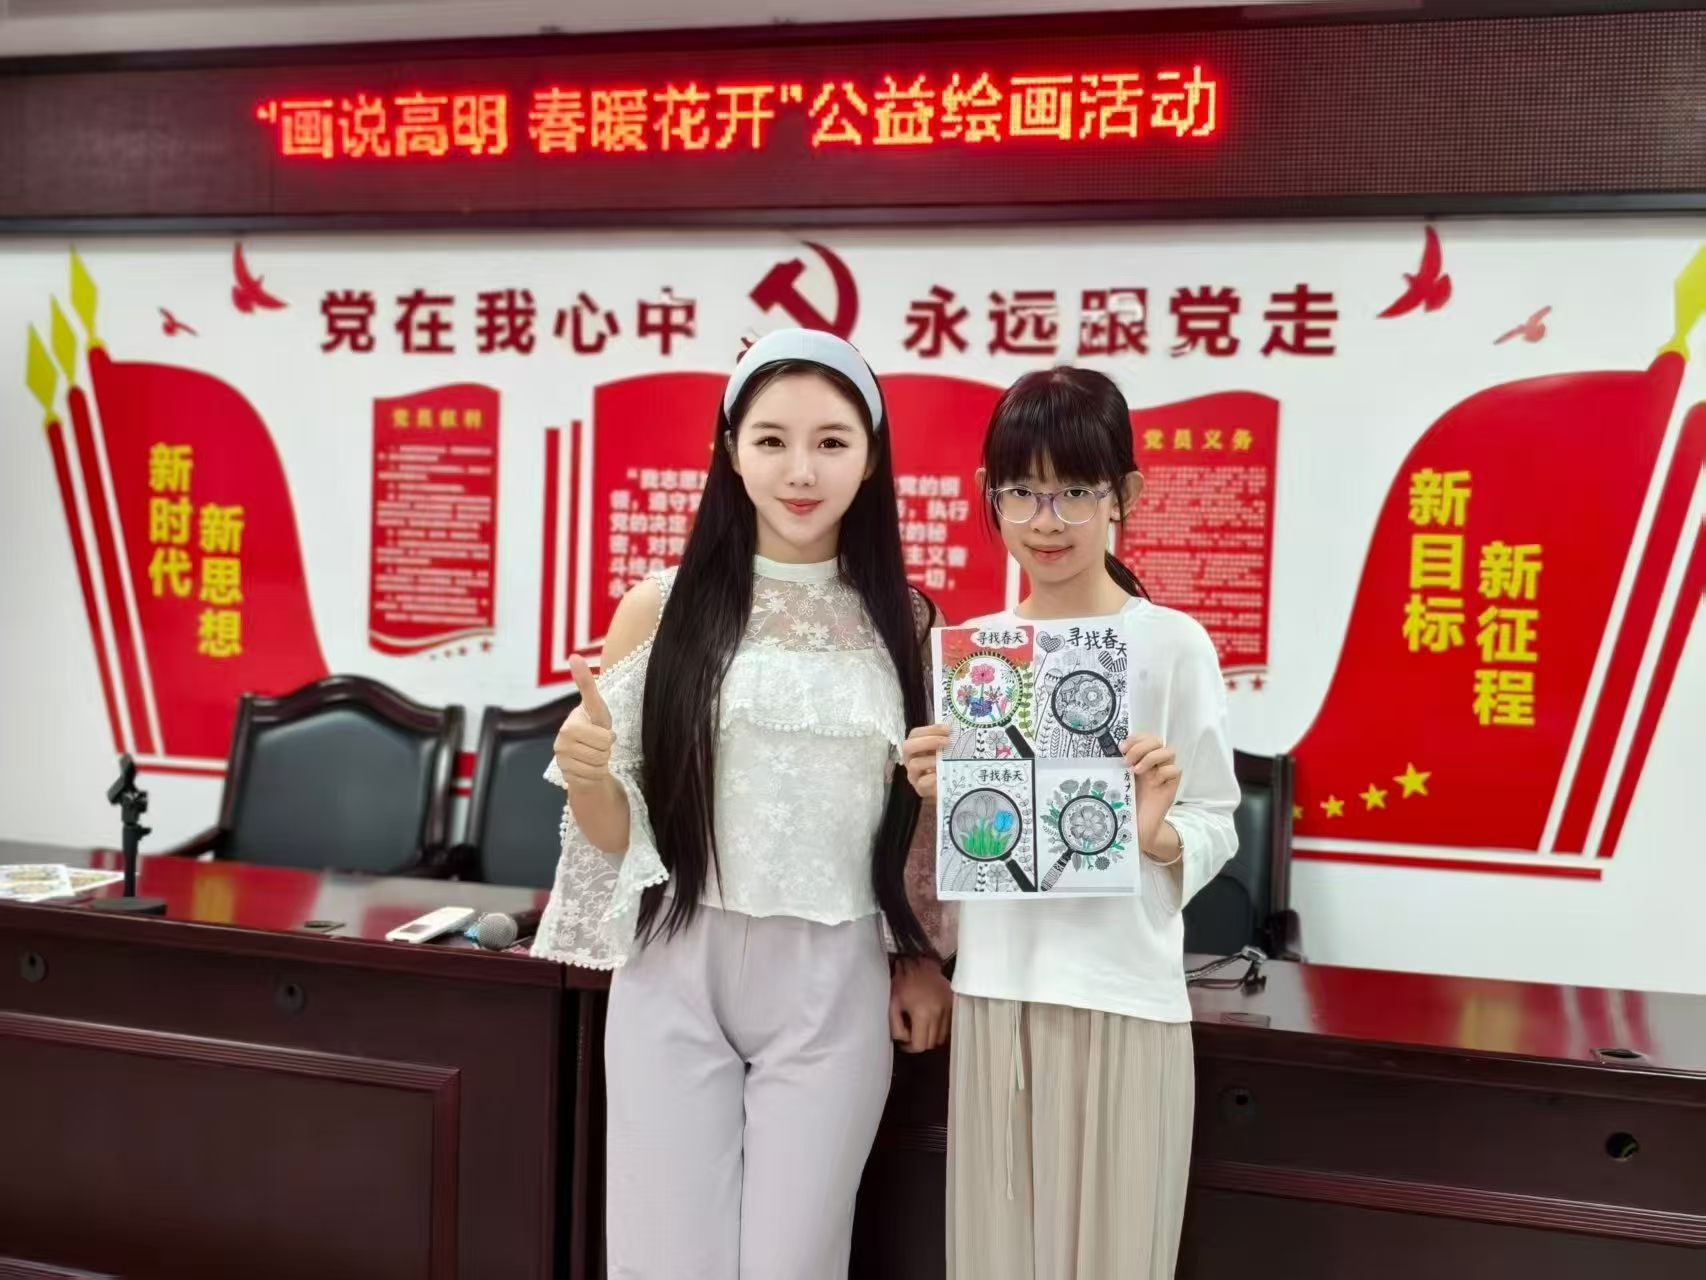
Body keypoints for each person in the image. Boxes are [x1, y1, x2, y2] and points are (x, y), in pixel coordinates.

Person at [533, 328, 954, 1280]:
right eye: (771, 440)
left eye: (831, 441)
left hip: (836, 978)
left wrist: (922, 958)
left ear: (871, 457)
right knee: (664, 1259)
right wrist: (591, 777)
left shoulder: (911, 621)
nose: (801, 471)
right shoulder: (660, 608)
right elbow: (622, 840)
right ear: (730, 450)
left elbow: (923, 821)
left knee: (796, 1260)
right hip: (676, 960)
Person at [902, 366, 1240, 1280]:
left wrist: (1156, 832)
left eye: (1076, 493)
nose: (1046, 521)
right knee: (996, 1259)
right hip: (997, 996)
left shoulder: (1172, 644)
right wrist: (934, 798)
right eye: (1022, 492)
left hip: (1124, 996)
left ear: (1125, 495)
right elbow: (971, 848)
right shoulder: (977, 657)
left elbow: (1216, 818)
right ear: (990, 496)